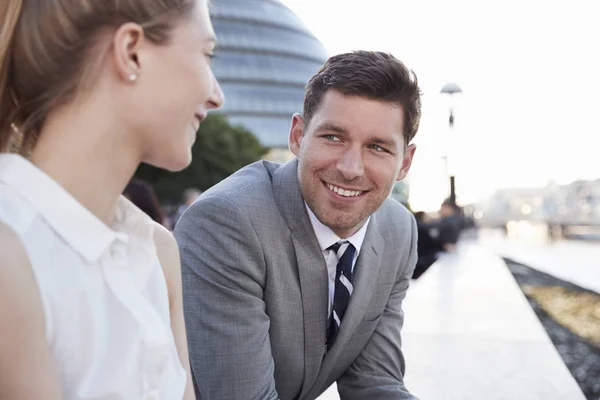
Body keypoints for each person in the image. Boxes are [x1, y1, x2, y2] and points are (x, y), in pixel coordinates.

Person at [0, 0, 223, 398]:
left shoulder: (157, 251)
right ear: (131, 50)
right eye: (207, 55)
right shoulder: (11, 251)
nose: (216, 96)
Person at [175, 51, 421, 400]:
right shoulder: (226, 223)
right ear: (297, 136)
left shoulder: (399, 231)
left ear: (405, 161)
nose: (351, 168)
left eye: (377, 147)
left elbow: (375, 382)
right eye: (333, 137)